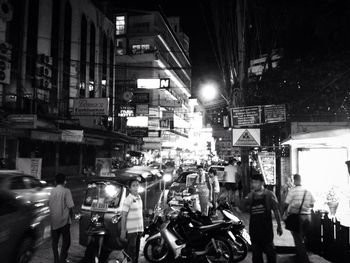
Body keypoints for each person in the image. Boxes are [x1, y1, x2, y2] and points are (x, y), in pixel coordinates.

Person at [241, 173, 283, 263]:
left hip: (266, 230)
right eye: (252, 182)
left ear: (262, 183)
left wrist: (279, 226)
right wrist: (239, 199)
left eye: (256, 182)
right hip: (254, 230)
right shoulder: (250, 195)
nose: (253, 184)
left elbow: (276, 210)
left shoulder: (269, 195)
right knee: (256, 255)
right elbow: (242, 208)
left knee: (270, 253)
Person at [282, 174, 315, 263]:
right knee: (303, 238)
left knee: (297, 239)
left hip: (297, 217)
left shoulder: (292, 191)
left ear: (294, 180)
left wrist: (282, 214)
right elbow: (312, 204)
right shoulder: (307, 190)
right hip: (308, 217)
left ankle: (304, 260)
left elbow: (286, 204)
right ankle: (299, 255)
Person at [48, 173, 75, 263]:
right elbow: (70, 206)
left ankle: (56, 260)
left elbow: (49, 204)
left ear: (55, 181)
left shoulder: (52, 191)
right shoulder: (66, 191)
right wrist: (71, 218)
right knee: (66, 242)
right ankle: (62, 259)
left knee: (54, 243)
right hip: (64, 221)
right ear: (64, 181)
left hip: (54, 220)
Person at [120, 178, 144, 263]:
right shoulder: (128, 199)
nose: (136, 187)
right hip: (131, 231)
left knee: (136, 253)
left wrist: (141, 229)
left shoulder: (139, 198)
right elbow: (124, 216)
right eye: (133, 186)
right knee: (130, 253)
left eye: (137, 185)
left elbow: (139, 214)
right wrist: (123, 231)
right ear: (129, 188)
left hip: (138, 230)